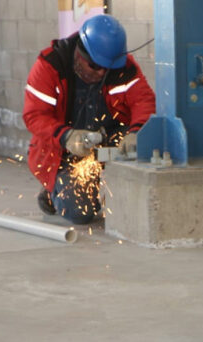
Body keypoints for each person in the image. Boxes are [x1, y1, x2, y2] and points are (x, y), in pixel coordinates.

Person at [23, 14, 156, 224]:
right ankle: (53, 191)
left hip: (108, 139)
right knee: (80, 213)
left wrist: (136, 134)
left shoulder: (124, 67)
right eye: (95, 66)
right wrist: (67, 137)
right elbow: (34, 116)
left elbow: (144, 101)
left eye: (108, 68)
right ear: (79, 54)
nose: (102, 72)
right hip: (61, 150)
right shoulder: (50, 65)